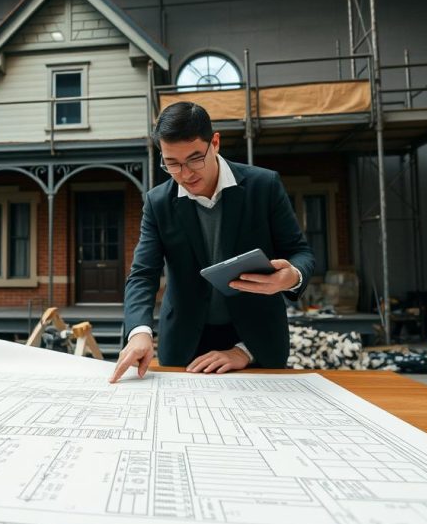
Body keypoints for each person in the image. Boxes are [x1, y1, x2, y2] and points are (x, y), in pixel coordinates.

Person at [111, 101, 314, 383]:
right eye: (172, 163)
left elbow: (300, 252)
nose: (185, 173)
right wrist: (140, 333)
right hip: (183, 345)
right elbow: (143, 275)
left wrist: (292, 276)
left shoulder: (264, 186)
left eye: (195, 159)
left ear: (215, 142)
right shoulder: (158, 203)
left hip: (255, 343)